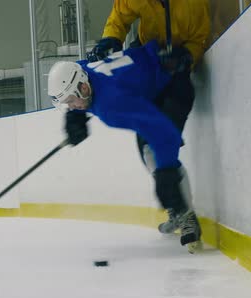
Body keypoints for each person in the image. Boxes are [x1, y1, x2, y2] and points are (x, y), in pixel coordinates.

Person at [47, 40, 201, 253]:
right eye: (67, 104)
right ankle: (178, 209)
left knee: (157, 158)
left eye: (71, 101)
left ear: (83, 88)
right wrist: (75, 116)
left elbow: (163, 132)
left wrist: (167, 173)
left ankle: (185, 216)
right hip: (155, 77)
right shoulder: (83, 73)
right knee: (148, 154)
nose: (71, 106)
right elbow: (78, 68)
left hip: (173, 86)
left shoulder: (111, 106)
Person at [87, 0, 210, 234]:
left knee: (161, 144)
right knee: (147, 149)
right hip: (146, 62)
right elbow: (119, 17)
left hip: (176, 74)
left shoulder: (194, 4)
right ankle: (178, 210)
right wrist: (111, 39)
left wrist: (186, 58)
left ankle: (185, 215)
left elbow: (199, 37)